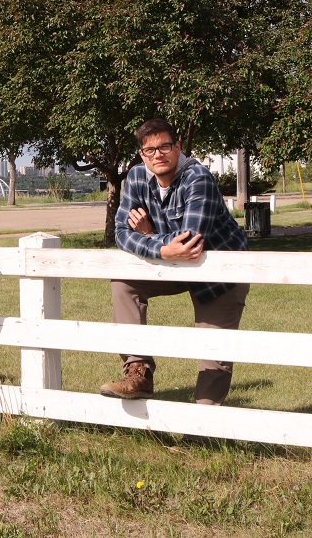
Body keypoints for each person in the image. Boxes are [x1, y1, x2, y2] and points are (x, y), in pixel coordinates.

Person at [100, 118, 250, 405]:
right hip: (174, 264)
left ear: (177, 147)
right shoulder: (135, 177)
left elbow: (189, 241)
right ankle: (138, 372)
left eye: (165, 146)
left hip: (217, 273)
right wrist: (162, 247)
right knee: (124, 281)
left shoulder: (198, 178)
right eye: (149, 150)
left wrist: (151, 237)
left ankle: (201, 429)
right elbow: (120, 233)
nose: (158, 155)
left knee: (213, 357)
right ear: (142, 154)